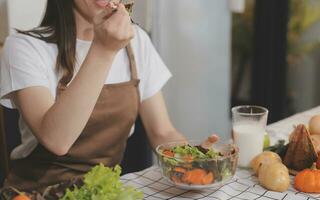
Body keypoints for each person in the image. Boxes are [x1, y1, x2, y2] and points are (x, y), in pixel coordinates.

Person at [0, 0, 186, 192]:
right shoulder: (24, 48)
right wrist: (104, 50)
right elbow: (57, 141)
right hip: (35, 192)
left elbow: (162, 132)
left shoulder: (136, 40)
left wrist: (194, 158)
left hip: (103, 192)